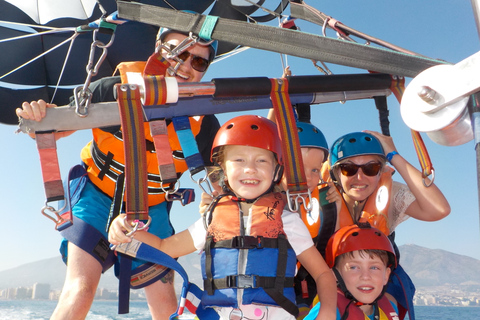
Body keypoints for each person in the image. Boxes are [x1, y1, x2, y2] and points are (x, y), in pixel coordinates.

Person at [16, 28, 220, 320]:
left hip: (152, 209)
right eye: (177, 53)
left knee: (166, 305)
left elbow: (227, 178)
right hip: (96, 197)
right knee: (81, 290)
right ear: (157, 48)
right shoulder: (112, 89)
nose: (185, 66)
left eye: (198, 62)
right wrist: (40, 115)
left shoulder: (205, 123)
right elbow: (56, 129)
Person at [109, 115, 337, 320]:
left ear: (277, 170)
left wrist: (326, 311)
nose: (250, 169)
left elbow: (322, 274)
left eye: (262, 161)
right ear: (223, 170)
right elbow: (164, 247)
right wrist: (124, 229)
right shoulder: (212, 218)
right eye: (239, 160)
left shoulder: (287, 221)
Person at [324, 131, 450, 319]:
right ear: (335, 173)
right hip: (330, 279)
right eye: (348, 169)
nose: (359, 177)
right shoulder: (320, 197)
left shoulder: (390, 195)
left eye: (371, 168)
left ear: (380, 171)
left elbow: (439, 209)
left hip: (380, 282)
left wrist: (393, 155)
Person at [304, 223, 399, 320]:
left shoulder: (391, 307)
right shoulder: (329, 312)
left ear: (386, 275)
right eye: (354, 267)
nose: (365, 276)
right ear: (334, 274)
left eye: (374, 268)